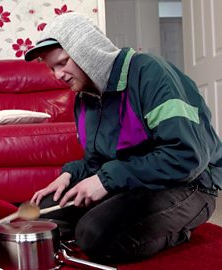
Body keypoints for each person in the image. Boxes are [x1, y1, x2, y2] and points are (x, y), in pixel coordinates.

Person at [25, 13, 221, 263]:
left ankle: (178, 228)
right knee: (40, 216)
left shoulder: (151, 74)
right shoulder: (84, 97)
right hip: (135, 181)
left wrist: (106, 180)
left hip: (189, 184)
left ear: (87, 50)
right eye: (52, 68)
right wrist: (70, 175)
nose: (58, 75)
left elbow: (186, 157)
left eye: (63, 62)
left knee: (95, 236)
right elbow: (97, 161)